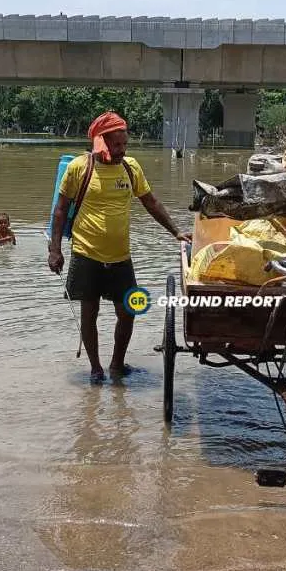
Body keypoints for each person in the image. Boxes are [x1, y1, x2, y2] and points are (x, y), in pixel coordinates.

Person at [47, 112, 191, 383]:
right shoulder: (79, 168)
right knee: (89, 314)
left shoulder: (131, 167)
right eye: (117, 145)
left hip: (120, 257)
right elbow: (60, 210)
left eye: (125, 145)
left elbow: (151, 202)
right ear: (101, 142)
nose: (122, 151)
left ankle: (116, 364)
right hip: (86, 254)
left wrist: (176, 232)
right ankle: (95, 369)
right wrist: (55, 250)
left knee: (128, 312)